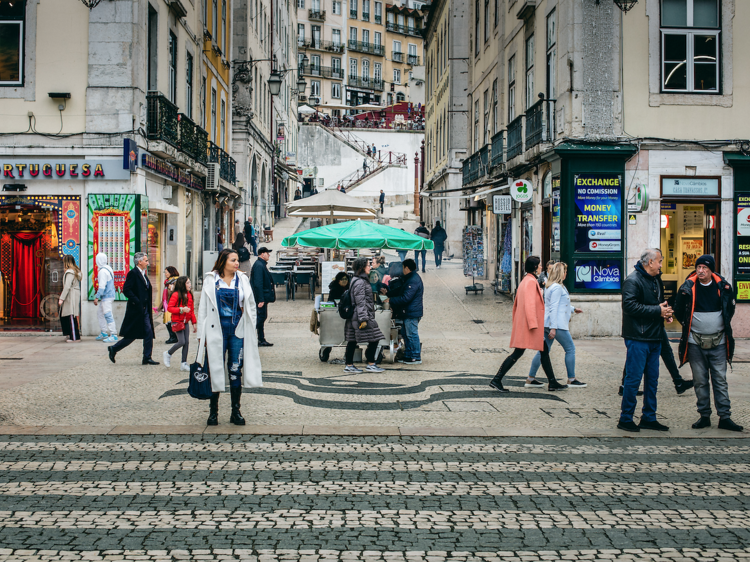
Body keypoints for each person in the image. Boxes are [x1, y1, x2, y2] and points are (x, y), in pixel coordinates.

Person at [674, 255, 743, 432]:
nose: (701, 271)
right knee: (700, 380)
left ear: (711, 270)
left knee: (720, 380)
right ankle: (704, 415)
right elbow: (679, 310)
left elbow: (730, 310)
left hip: (719, 341)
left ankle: (725, 417)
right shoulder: (687, 287)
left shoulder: (724, 287)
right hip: (695, 342)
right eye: (698, 267)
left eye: (705, 267)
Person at [197, 249, 263, 426]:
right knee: (214, 369)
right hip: (215, 329)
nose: (237, 263)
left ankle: (236, 411)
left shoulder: (242, 280)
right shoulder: (211, 280)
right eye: (233, 260)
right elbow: (203, 308)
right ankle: (213, 412)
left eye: (237, 260)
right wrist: (200, 336)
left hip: (236, 330)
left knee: (235, 369)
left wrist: (252, 328)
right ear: (223, 261)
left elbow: (250, 306)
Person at [489, 256, 567, 393]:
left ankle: (552, 382)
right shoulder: (530, 282)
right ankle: (497, 379)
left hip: (526, 324)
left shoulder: (527, 280)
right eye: (540, 265)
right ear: (535, 267)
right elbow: (530, 305)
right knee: (520, 353)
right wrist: (533, 325)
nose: (541, 267)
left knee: (541, 352)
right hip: (529, 326)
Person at [618, 248, 673, 433]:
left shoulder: (656, 279)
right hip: (638, 337)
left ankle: (649, 417)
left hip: (654, 336)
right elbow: (630, 306)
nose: (660, 264)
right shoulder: (632, 280)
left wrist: (665, 312)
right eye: (659, 261)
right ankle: (625, 418)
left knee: (652, 380)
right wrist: (658, 311)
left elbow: (655, 303)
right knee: (633, 380)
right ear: (650, 262)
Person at [526, 263, 586, 388]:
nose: (566, 274)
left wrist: (573, 309)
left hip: (548, 322)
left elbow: (559, 305)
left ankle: (530, 378)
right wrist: (553, 327)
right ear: (560, 273)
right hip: (557, 324)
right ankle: (571, 379)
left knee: (543, 351)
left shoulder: (550, 286)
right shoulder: (557, 287)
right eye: (564, 272)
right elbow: (554, 307)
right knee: (570, 349)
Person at [108, 252, 158, 365]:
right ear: (139, 262)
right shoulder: (133, 273)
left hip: (144, 309)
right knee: (133, 334)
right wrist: (137, 301)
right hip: (137, 310)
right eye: (146, 260)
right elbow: (126, 289)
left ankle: (147, 357)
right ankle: (114, 348)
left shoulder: (143, 274)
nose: (147, 262)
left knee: (148, 333)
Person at [343, 257, 386, 374]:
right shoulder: (360, 282)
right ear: (362, 267)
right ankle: (371, 363)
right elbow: (360, 301)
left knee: (352, 340)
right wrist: (363, 318)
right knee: (375, 338)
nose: (370, 267)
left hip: (356, 316)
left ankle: (349, 365)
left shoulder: (357, 280)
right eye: (368, 265)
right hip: (361, 316)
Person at [385, 258, 424, 365]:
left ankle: (415, 356)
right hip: (408, 311)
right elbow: (401, 290)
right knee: (406, 334)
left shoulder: (413, 280)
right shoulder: (408, 278)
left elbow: (406, 297)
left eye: (403, 268)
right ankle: (408, 354)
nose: (401, 270)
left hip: (412, 312)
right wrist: (389, 293)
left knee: (411, 334)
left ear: (407, 268)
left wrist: (391, 300)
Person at [164, 276, 197, 371]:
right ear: (182, 284)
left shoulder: (190, 295)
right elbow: (170, 308)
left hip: (185, 322)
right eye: (187, 283)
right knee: (181, 341)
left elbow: (191, 310)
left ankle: (183, 363)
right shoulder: (175, 295)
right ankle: (168, 353)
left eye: (190, 282)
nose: (190, 285)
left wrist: (194, 323)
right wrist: (181, 309)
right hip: (177, 321)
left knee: (186, 342)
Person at [251, 246, 276, 347]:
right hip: (260, 298)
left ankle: (260, 338)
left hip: (264, 297)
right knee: (260, 318)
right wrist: (260, 299)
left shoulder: (261, 264)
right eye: (267, 253)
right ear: (262, 254)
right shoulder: (259, 265)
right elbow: (258, 284)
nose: (269, 255)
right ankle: (258, 338)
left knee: (262, 317)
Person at [94, 252, 118, 343]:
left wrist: (97, 297)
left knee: (108, 315)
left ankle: (113, 334)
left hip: (106, 297)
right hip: (109, 296)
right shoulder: (108, 268)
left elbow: (102, 286)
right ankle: (104, 332)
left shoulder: (102, 272)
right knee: (100, 313)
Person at [59, 255, 82, 343]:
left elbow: (67, 286)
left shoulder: (69, 272)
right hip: (73, 294)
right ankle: (72, 335)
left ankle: (74, 337)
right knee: (70, 315)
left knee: (70, 315)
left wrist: (61, 298)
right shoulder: (75, 271)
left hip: (71, 295)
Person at [157, 267, 180, 344]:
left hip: (173, 304)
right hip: (167, 304)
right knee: (167, 321)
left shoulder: (176, 281)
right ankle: (172, 336)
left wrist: (172, 288)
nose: (165, 274)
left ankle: (174, 337)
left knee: (170, 321)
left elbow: (179, 292)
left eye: (166, 272)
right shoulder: (167, 282)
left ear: (171, 272)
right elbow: (165, 296)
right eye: (165, 272)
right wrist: (160, 307)